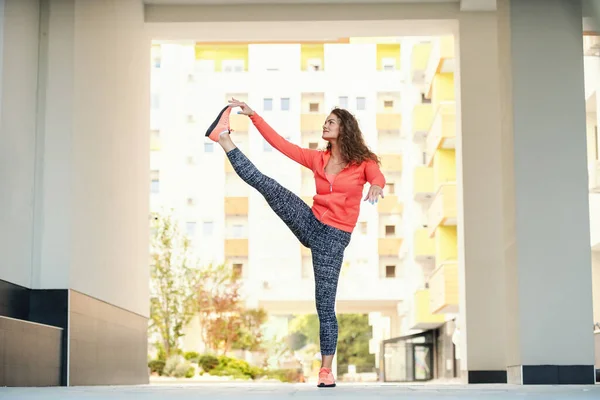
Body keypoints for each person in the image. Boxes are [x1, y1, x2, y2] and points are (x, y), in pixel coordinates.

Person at [205, 98, 386, 388]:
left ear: (345, 128)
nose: (325, 124)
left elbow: (377, 176)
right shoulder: (318, 158)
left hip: (334, 239)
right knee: (268, 185)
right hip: (310, 222)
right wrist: (254, 116)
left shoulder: (364, 162)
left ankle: (326, 371)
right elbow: (280, 144)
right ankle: (223, 138)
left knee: (324, 305)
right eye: (325, 120)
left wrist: (376, 185)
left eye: (331, 121)